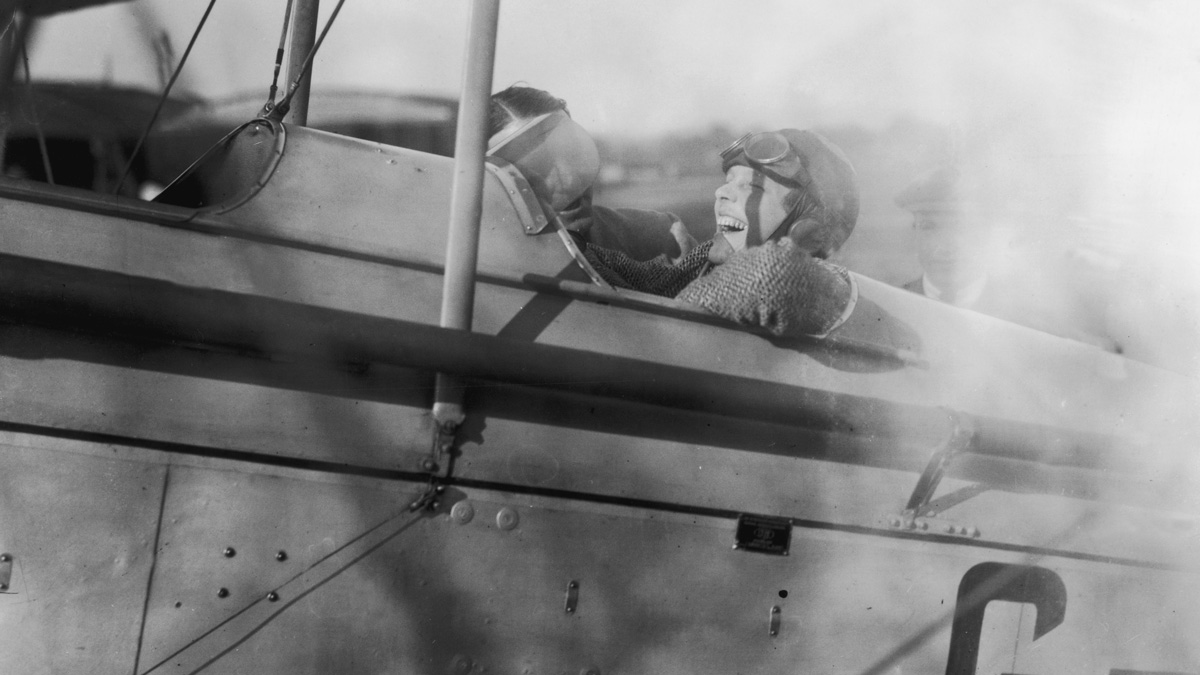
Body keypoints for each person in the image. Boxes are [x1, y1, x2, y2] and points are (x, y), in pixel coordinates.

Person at [580, 128, 860, 338]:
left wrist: (677, 313)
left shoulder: (820, 285)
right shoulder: (703, 265)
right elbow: (630, 273)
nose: (722, 192)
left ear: (808, 232)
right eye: (728, 181)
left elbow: (772, 274)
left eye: (753, 189)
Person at [895, 166, 1118, 349]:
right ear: (914, 230)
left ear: (988, 233)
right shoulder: (890, 310)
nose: (945, 247)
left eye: (962, 227)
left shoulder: (1031, 322)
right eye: (929, 227)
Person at [488, 85, 695, 262]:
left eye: (571, 153)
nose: (569, 180)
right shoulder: (482, 268)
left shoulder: (664, 237)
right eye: (537, 168)